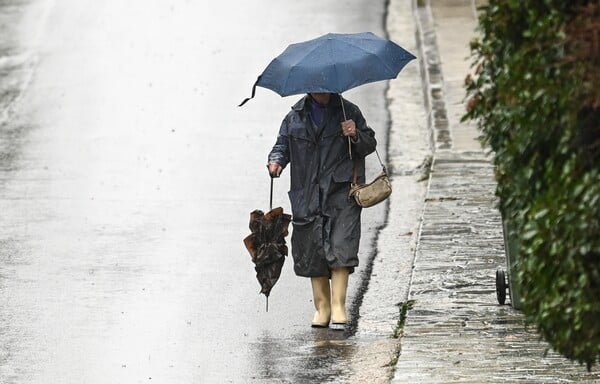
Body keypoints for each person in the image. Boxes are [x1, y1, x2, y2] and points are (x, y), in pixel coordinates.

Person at [267, 92, 376, 330]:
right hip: (307, 193)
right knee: (313, 250)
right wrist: (276, 162)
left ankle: (339, 306)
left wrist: (355, 134)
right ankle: (322, 307)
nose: (320, 91)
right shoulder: (294, 118)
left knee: (341, 245)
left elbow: (369, 144)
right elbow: (281, 145)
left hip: (341, 192)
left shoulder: (350, 111)